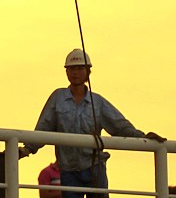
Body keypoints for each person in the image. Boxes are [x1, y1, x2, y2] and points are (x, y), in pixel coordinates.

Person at [20, 49, 165, 198]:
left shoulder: (97, 102)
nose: (75, 72)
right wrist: (27, 149)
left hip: (95, 168)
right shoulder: (58, 98)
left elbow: (120, 125)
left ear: (88, 72)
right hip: (69, 170)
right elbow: (44, 127)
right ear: (66, 72)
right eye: (72, 69)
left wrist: (143, 136)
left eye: (80, 68)